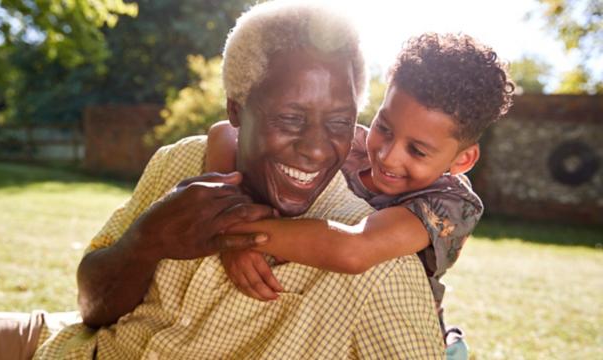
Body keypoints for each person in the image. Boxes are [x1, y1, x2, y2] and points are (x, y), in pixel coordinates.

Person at [0, 2, 444, 359]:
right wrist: (147, 240)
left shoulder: (379, 269)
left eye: (339, 123)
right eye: (291, 119)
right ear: (236, 110)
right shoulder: (183, 162)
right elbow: (91, 308)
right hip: (64, 346)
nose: (318, 148)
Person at [205, 32, 514, 354]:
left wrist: (231, 233)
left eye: (417, 151)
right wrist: (230, 208)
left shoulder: (451, 204)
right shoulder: (347, 144)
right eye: (384, 128)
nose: (389, 156)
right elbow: (225, 132)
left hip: (398, 337)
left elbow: (353, 249)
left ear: (463, 159)